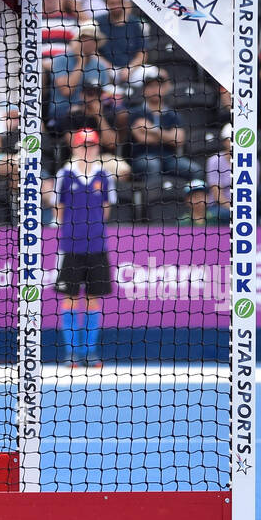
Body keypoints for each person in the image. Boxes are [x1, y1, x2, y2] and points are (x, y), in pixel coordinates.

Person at [52, 127, 114, 369]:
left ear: (97, 146)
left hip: (97, 246)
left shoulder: (104, 175)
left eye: (91, 145)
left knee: (92, 299)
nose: (87, 149)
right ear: (75, 147)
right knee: (69, 299)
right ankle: (72, 353)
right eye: (83, 145)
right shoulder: (64, 174)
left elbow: (106, 208)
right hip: (70, 247)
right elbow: (58, 209)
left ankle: (89, 352)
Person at [128, 72, 201, 179]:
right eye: (151, 86)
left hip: (169, 158)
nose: (155, 90)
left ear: (164, 89)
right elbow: (142, 138)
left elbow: (179, 140)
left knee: (195, 170)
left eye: (158, 86)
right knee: (153, 165)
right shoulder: (135, 113)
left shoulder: (173, 115)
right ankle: (153, 196)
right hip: (143, 157)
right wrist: (168, 137)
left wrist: (152, 129)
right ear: (144, 90)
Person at [49, 22, 114, 128]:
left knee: (118, 114)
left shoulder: (100, 66)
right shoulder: (60, 60)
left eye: (92, 39)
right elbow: (67, 91)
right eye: (84, 39)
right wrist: (81, 61)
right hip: (63, 109)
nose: (88, 42)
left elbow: (105, 94)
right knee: (76, 115)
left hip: (92, 109)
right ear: (77, 41)